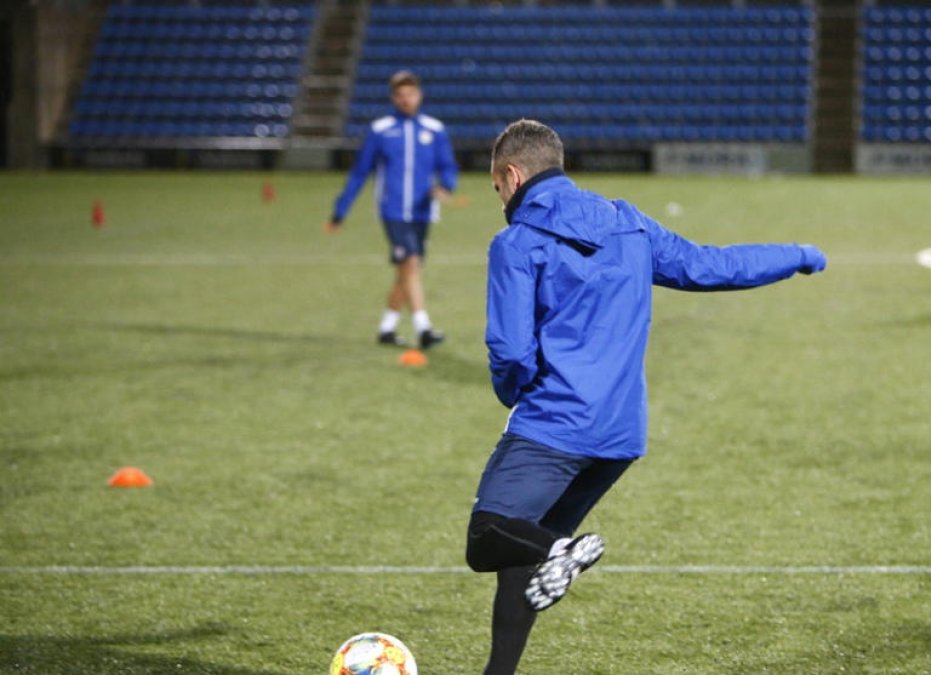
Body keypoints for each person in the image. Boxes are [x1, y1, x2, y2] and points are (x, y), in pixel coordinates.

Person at [463, 119, 827, 675]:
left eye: (497, 188)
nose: (500, 200)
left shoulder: (517, 243)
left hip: (552, 427)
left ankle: (559, 552)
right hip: (618, 437)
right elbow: (712, 266)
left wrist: (512, 394)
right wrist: (796, 253)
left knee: (489, 537)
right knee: (526, 548)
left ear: (511, 176)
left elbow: (511, 351)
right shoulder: (627, 223)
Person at [327, 70, 459, 347]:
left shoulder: (434, 130)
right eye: (400, 95)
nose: (406, 99)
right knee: (410, 263)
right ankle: (423, 328)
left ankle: (387, 329)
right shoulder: (381, 130)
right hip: (393, 211)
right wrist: (341, 209)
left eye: (410, 94)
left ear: (419, 95)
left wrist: (446, 186)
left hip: (423, 211)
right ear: (393, 98)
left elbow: (447, 167)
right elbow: (359, 173)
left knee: (407, 270)